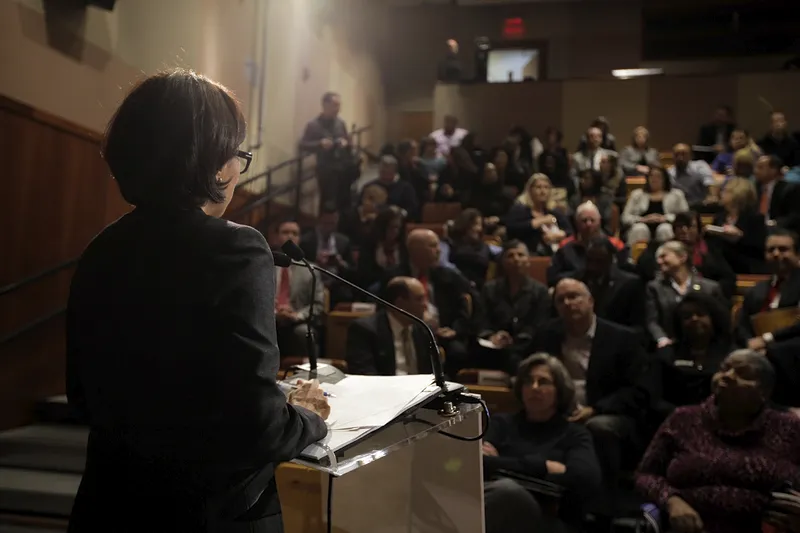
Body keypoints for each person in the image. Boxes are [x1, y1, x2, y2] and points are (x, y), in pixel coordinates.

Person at [65, 69, 329, 532]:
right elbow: (258, 425)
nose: (237, 169)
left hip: (109, 508)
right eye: (238, 154)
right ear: (212, 161)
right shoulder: (236, 247)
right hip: (207, 513)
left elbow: (85, 399)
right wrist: (310, 416)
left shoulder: (101, 248)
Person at [636, 350, 800, 533]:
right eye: (724, 369)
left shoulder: (790, 428)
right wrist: (672, 501)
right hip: (690, 527)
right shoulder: (683, 419)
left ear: (764, 391)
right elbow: (645, 475)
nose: (728, 376)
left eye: (742, 373)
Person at [483, 354, 602, 533]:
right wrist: (544, 466)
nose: (534, 388)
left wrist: (502, 463)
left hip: (547, 520)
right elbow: (480, 464)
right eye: (528, 381)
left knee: (507, 491)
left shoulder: (575, 434)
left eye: (543, 382)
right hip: (496, 514)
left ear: (559, 390)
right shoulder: (501, 424)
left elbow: (585, 479)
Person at [345, 277, 432, 375]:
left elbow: (434, 373)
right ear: (400, 303)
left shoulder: (423, 330)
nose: (425, 305)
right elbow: (365, 375)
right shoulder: (364, 330)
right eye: (419, 299)